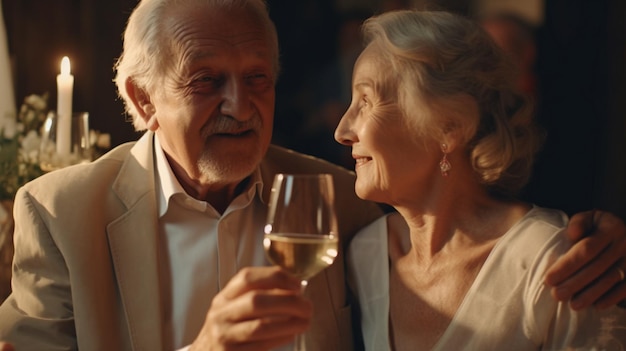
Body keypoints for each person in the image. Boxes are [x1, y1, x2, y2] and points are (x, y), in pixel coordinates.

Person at [0, 1, 624, 350]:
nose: (240, 107)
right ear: (142, 101)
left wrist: (602, 240)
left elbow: (473, 231)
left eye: (258, 79)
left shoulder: (338, 208)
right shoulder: (59, 213)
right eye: (206, 81)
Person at [334, 9, 626, 350]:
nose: (342, 130)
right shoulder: (365, 256)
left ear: (449, 127)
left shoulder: (552, 262)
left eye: (366, 101)